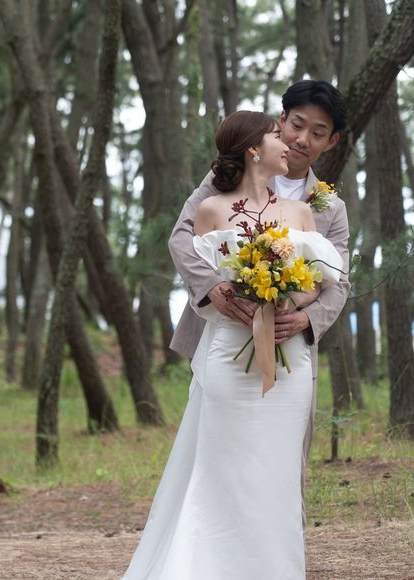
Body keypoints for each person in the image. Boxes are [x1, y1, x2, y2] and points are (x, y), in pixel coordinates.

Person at [122, 111, 343, 579]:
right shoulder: (210, 210)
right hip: (229, 354)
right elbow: (201, 271)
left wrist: (285, 294)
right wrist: (230, 290)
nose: (288, 142)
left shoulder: (303, 213)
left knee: (277, 475)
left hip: (289, 360)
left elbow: (323, 281)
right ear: (253, 150)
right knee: (223, 471)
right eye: (277, 135)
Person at [168, 79, 351, 525]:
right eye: (296, 124)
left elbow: (338, 279)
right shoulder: (223, 180)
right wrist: (213, 288)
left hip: (289, 345)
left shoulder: (328, 207)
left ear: (331, 142)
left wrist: (305, 318)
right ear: (281, 120)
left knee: (282, 457)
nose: (301, 139)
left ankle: (275, 545)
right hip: (227, 334)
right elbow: (182, 237)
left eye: (317, 133)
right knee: (218, 451)